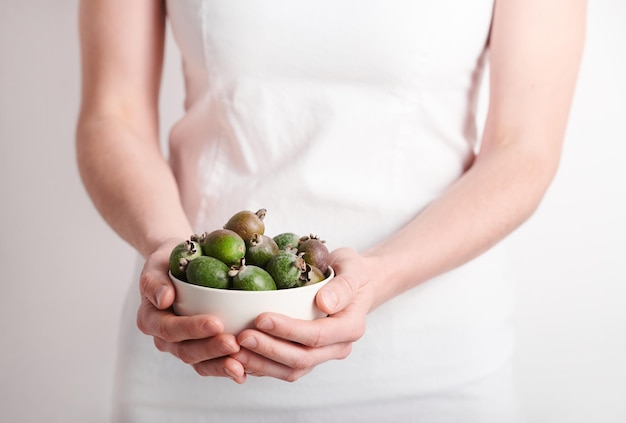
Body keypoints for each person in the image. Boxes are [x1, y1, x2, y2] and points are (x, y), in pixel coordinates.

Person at [76, 0, 586, 421]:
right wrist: (170, 256)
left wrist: (380, 276)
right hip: (195, 351)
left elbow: (524, 148)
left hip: (432, 367)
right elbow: (112, 116)